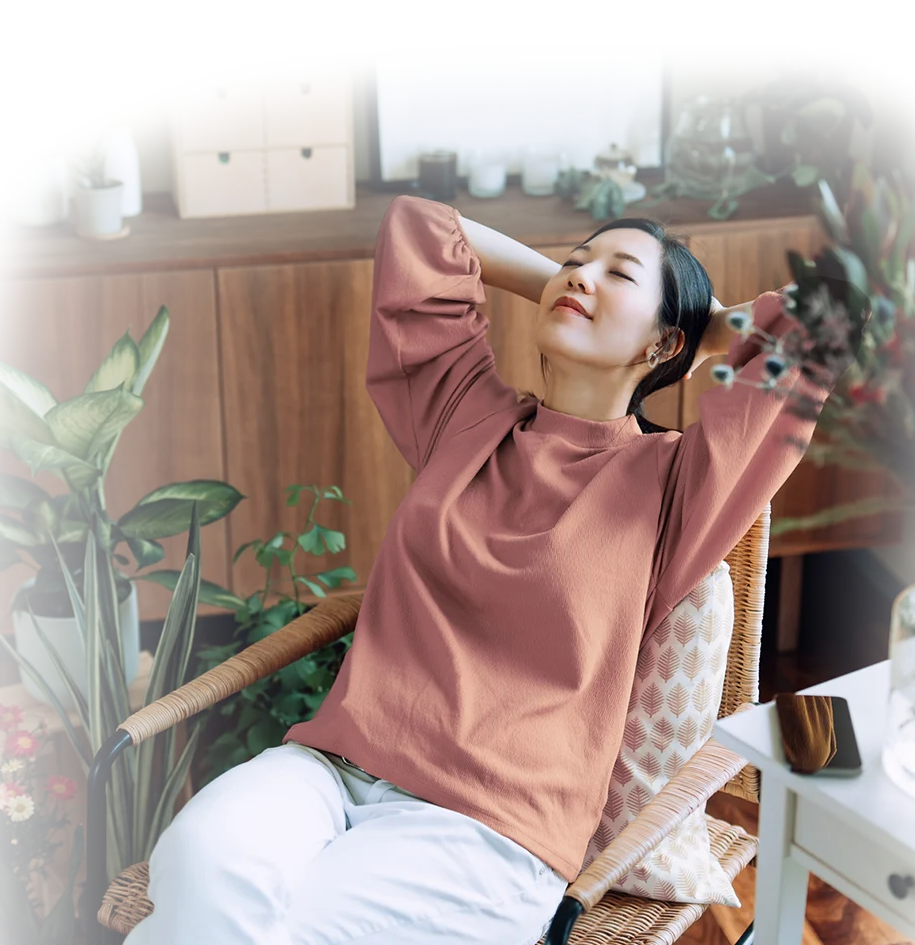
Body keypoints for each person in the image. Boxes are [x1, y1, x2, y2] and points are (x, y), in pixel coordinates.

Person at [126, 195, 831, 945]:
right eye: (573, 262)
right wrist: (575, 286)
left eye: (616, 273)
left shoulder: (676, 485)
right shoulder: (464, 414)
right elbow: (421, 229)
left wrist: (709, 325)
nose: (580, 276)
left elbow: (817, 326)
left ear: (662, 346)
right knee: (196, 862)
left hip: (491, 828)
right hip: (331, 766)